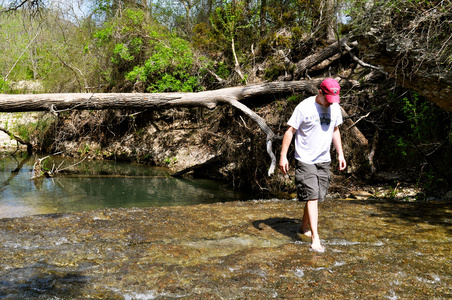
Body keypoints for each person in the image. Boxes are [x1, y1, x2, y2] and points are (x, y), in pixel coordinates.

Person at [279, 78, 346, 252]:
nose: (330, 104)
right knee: (313, 196)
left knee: (316, 196)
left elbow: (335, 130)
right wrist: (283, 156)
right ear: (320, 92)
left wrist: (340, 154)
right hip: (305, 159)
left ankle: (303, 226)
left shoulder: (335, 107)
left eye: (333, 100)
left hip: (324, 159)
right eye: (328, 99)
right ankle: (316, 238)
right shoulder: (304, 107)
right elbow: (290, 131)